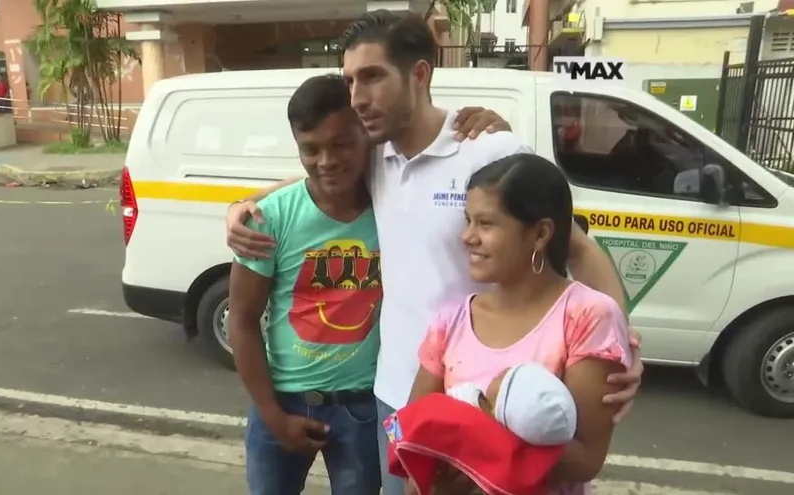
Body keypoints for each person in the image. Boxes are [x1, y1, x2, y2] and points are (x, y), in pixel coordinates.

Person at [226, 11, 644, 495]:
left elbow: (575, 245)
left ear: (420, 74)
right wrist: (242, 205)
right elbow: (314, 178)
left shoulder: (488, 148)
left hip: (490, 397)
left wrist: (625, 346)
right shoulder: (375, 155)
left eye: (372, 77)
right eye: (349, 79)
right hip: (397, 394)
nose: (357, 96)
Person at [408, 153, 632, 494]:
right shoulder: (450, 319)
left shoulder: (588, 316)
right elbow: (414, 429)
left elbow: (586, 457)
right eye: (468, 220)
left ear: (540, 233)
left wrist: (477, 454)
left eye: (486, 224)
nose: (468, 237)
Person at [229, 74, 384, 495]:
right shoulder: (272, 217)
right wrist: (273, 415)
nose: (326, 161)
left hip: (364, 407)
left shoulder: (393, 207)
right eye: (310, 149)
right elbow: (241, 320)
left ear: (365, 137)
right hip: (282, 402)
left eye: (341, 144)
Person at [389, 363, 579, 495]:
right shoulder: (520, 458)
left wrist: (394, 432)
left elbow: (406, 421)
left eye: (506, 377)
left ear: (501, 405)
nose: (501, 371)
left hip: (410, 442)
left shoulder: (466, 407)